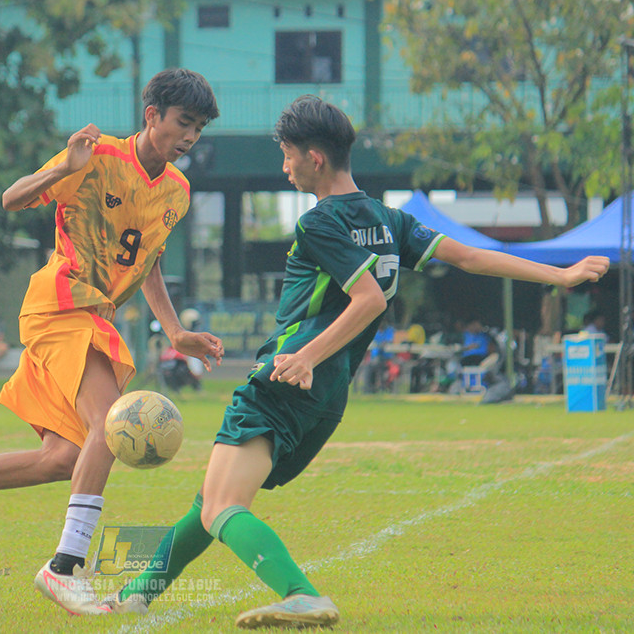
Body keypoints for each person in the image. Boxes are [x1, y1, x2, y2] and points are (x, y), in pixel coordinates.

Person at [97, 95, 610, 628]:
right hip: (328, 394)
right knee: (212, 499)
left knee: (221, 507)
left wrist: (305, 356)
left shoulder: (319, 223)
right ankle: (135, 594)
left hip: (284, 379)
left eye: (288, 155)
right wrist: (559, 274)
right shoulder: (389, 221)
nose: (284, 166)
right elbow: (471, 257)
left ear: (315, 158)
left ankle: (301, 595)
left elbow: (369, 299)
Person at [0, 68, 225, 615]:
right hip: (62, 302)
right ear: (152, 115)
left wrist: (176, 330)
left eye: (199, 128)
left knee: (64, 458)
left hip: (92, 317)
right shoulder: (98, 156)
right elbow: (11, 198)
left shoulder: (177, 193)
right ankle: (65, 567)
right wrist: (63, 167)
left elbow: (149, 262)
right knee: (111, 424)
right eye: (184, 122)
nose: (190, 137)